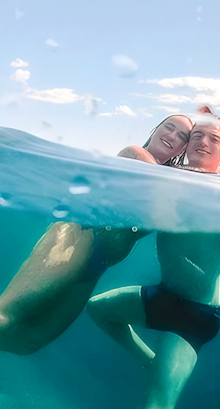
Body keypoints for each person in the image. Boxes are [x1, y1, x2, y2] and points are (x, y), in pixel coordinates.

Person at [86, 117, 220, 409]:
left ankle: (161, 371)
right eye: (195, 136)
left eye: (212, 138)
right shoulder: (168, 178)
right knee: (97, 309)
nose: (201, 142)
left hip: (195, 314)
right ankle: (154, 363)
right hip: (164, 295)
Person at [0, 115, 193, 356]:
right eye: (169, 127)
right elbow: (161, 181)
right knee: (7, 315)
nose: (173, 136)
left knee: (28, 342)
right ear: (155, 129)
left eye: (183, 136)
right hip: (75, 238)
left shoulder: (176, 181)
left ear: (185, 146)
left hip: (97, 265)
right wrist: (208, 171)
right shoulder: (135, 155)